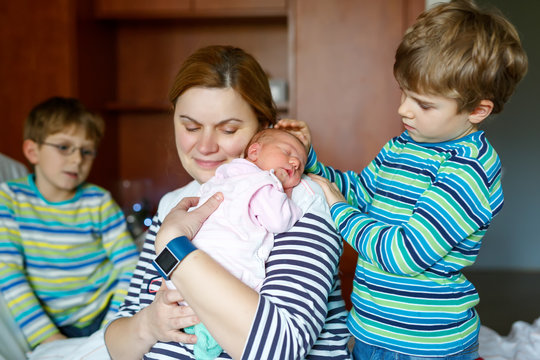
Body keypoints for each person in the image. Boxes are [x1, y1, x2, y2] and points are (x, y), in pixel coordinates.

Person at [277, 1, 528, 359]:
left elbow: (403, 253)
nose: (403, 110)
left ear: (477, 110)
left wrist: (337, 210)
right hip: (370, 330)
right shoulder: (403, 145)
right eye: (404, 92)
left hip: (424, 346)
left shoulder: (469, 172)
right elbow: (361, 193)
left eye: (423, 104)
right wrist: (305, 159)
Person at [105, 45, 352, 359]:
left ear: (265, 128)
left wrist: (174, 246)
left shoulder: (300, 200)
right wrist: (148, 326)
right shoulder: (174, 204)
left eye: (229, 129)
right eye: (191, 127)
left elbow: (279, 349)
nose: (205, 146)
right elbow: (117, 342)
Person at [0, 97, 139, 350]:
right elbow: (8, 271)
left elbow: (129, 264)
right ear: (33, 151)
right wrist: (47, 337)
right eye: (64, 147)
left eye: (86, 151)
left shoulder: (98, 200)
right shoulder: (9, 198)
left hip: (105, 308)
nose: (77, 160)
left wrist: (112, 326)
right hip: (52, 322)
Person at [164, 128, 307, 359]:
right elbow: (279, 220)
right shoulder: (264, 181)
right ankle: (207, 338)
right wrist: (289, 200)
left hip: (186, 265)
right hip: (226, 267)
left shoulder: (223, 176)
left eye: (300, 163)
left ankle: (196, 327)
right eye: (287, 152)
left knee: (196, 309)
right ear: (254, 151)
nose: (295, 162)